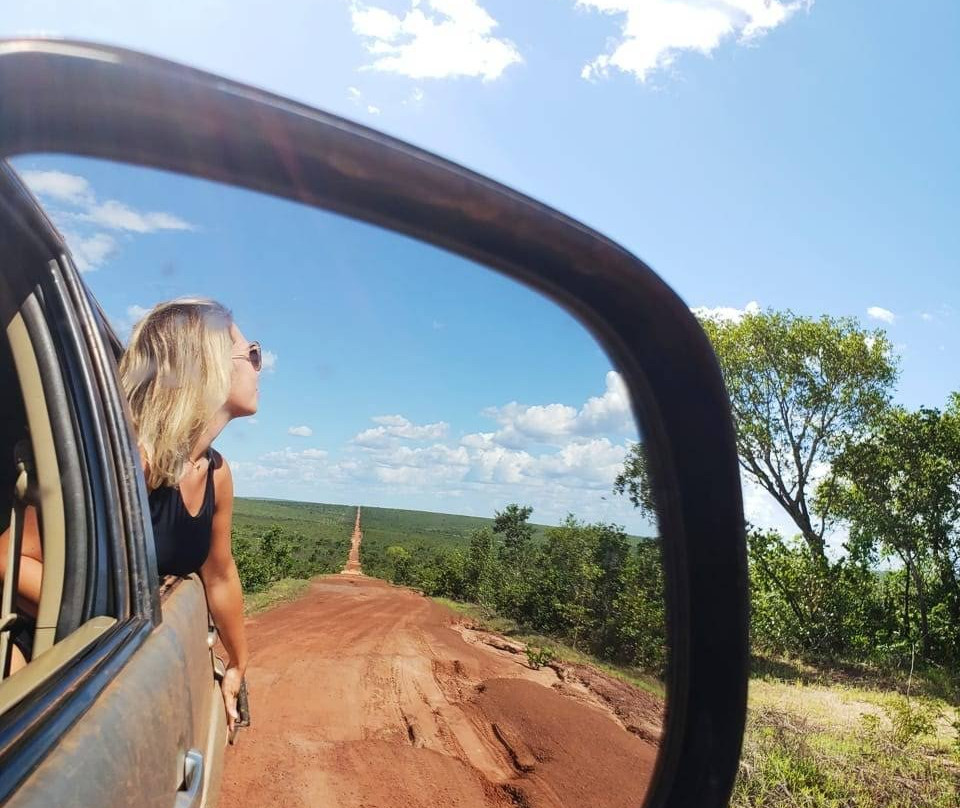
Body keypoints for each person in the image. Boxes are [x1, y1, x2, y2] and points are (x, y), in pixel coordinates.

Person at [119, 297, 259, 732]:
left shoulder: (215, 472)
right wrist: (128, 607)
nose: (260, 365)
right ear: (208, 367)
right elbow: (13, 556)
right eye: (251, 354)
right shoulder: (132, 463)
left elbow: (219, 572)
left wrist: (238, 664)